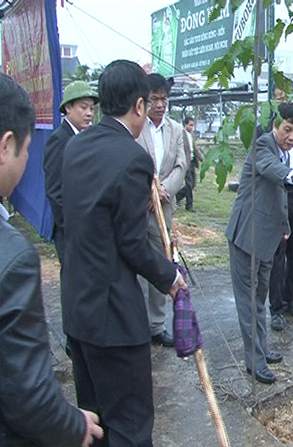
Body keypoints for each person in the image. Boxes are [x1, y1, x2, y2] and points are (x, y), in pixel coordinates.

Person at [60, 60, 186, 446]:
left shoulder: (76, 146)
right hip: (112, 319)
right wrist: (170, 277)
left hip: (77, 311)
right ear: (138, 106)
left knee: (95, 424)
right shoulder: (133, 158)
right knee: (129, 428)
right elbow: (131, 243)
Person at [0, 73, 103, 446]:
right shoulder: (13, 261)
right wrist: (73, 426)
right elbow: (26, 394)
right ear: (6, 145)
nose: (27, 160)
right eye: (26, 150)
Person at [226, 103, 293, 384]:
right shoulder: (264, 145)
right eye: (287, 130)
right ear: (275, 125)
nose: (291, 137)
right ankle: (254, 362)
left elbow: (278, 196)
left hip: (268, 238)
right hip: (247, 236)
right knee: (248, 303)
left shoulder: (286, 152)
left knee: (260, 298)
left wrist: (286, 226)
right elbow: (271, 170)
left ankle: (262, 349)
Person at [136, 73, 187, 347]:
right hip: (136, 207)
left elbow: (181, 166)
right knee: (131, 265)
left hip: (163, 209)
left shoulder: (175, 130)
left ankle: (156, 326)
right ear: (143, 100)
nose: (159, 104)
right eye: (154, 98)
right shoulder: (135, 127)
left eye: (163, 99)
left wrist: (163, 189)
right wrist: (146, 193)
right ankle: (134, 323)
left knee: (160, 264)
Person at [257, 88, 293, 331]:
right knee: (277, 256)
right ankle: (276, 307)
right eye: (287, 131)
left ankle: (291, 300)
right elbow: (267, 165)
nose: (292, 136)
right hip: (279, 198)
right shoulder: (265, 128)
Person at [43, 80, 98, 262]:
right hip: (70, 231)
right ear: (68, 108)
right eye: (83, 107)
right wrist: (71, 228)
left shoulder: (84, 138)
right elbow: (55, 191)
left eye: (91, 108)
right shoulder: (59, 140)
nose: (89, 113)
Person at [176, 116, 203, 212]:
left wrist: (201, 159)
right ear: (185, 124)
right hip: (185, 162)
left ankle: (177, 197)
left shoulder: (191, 135)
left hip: (191, 162)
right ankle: (189, 205)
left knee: (193, 184)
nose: (192, 127)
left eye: (193, 125)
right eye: (190, 125)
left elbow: (195, 149)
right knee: (189, 184)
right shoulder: (180, 134)